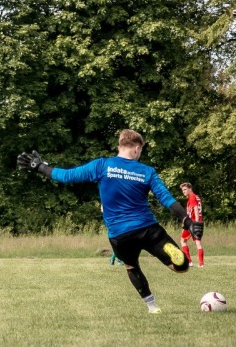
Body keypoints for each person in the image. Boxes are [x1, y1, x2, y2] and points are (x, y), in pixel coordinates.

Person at [17, 129, 202, 314]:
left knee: (131, 267)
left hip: (120, 234)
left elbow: (67, 176)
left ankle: (152, 307)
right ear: (137, 148)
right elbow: (167, 199)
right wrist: (187, 221)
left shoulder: (102, 165)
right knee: (181, 267)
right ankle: (174, 257)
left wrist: (40, 166)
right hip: (147, 227)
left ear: (119, 146)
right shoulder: (147, 171)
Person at [179, 183, 205, 267]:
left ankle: (189, 262)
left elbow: (196, 209)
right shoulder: (196, 197)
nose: (184, 191)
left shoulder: (192, 197)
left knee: (183, 241)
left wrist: (196, 222)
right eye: (183, 190)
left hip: (193, 222)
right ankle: (201, 264)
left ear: (190, 189)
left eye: (185, 189)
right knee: (197, 242)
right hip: (195, 222)